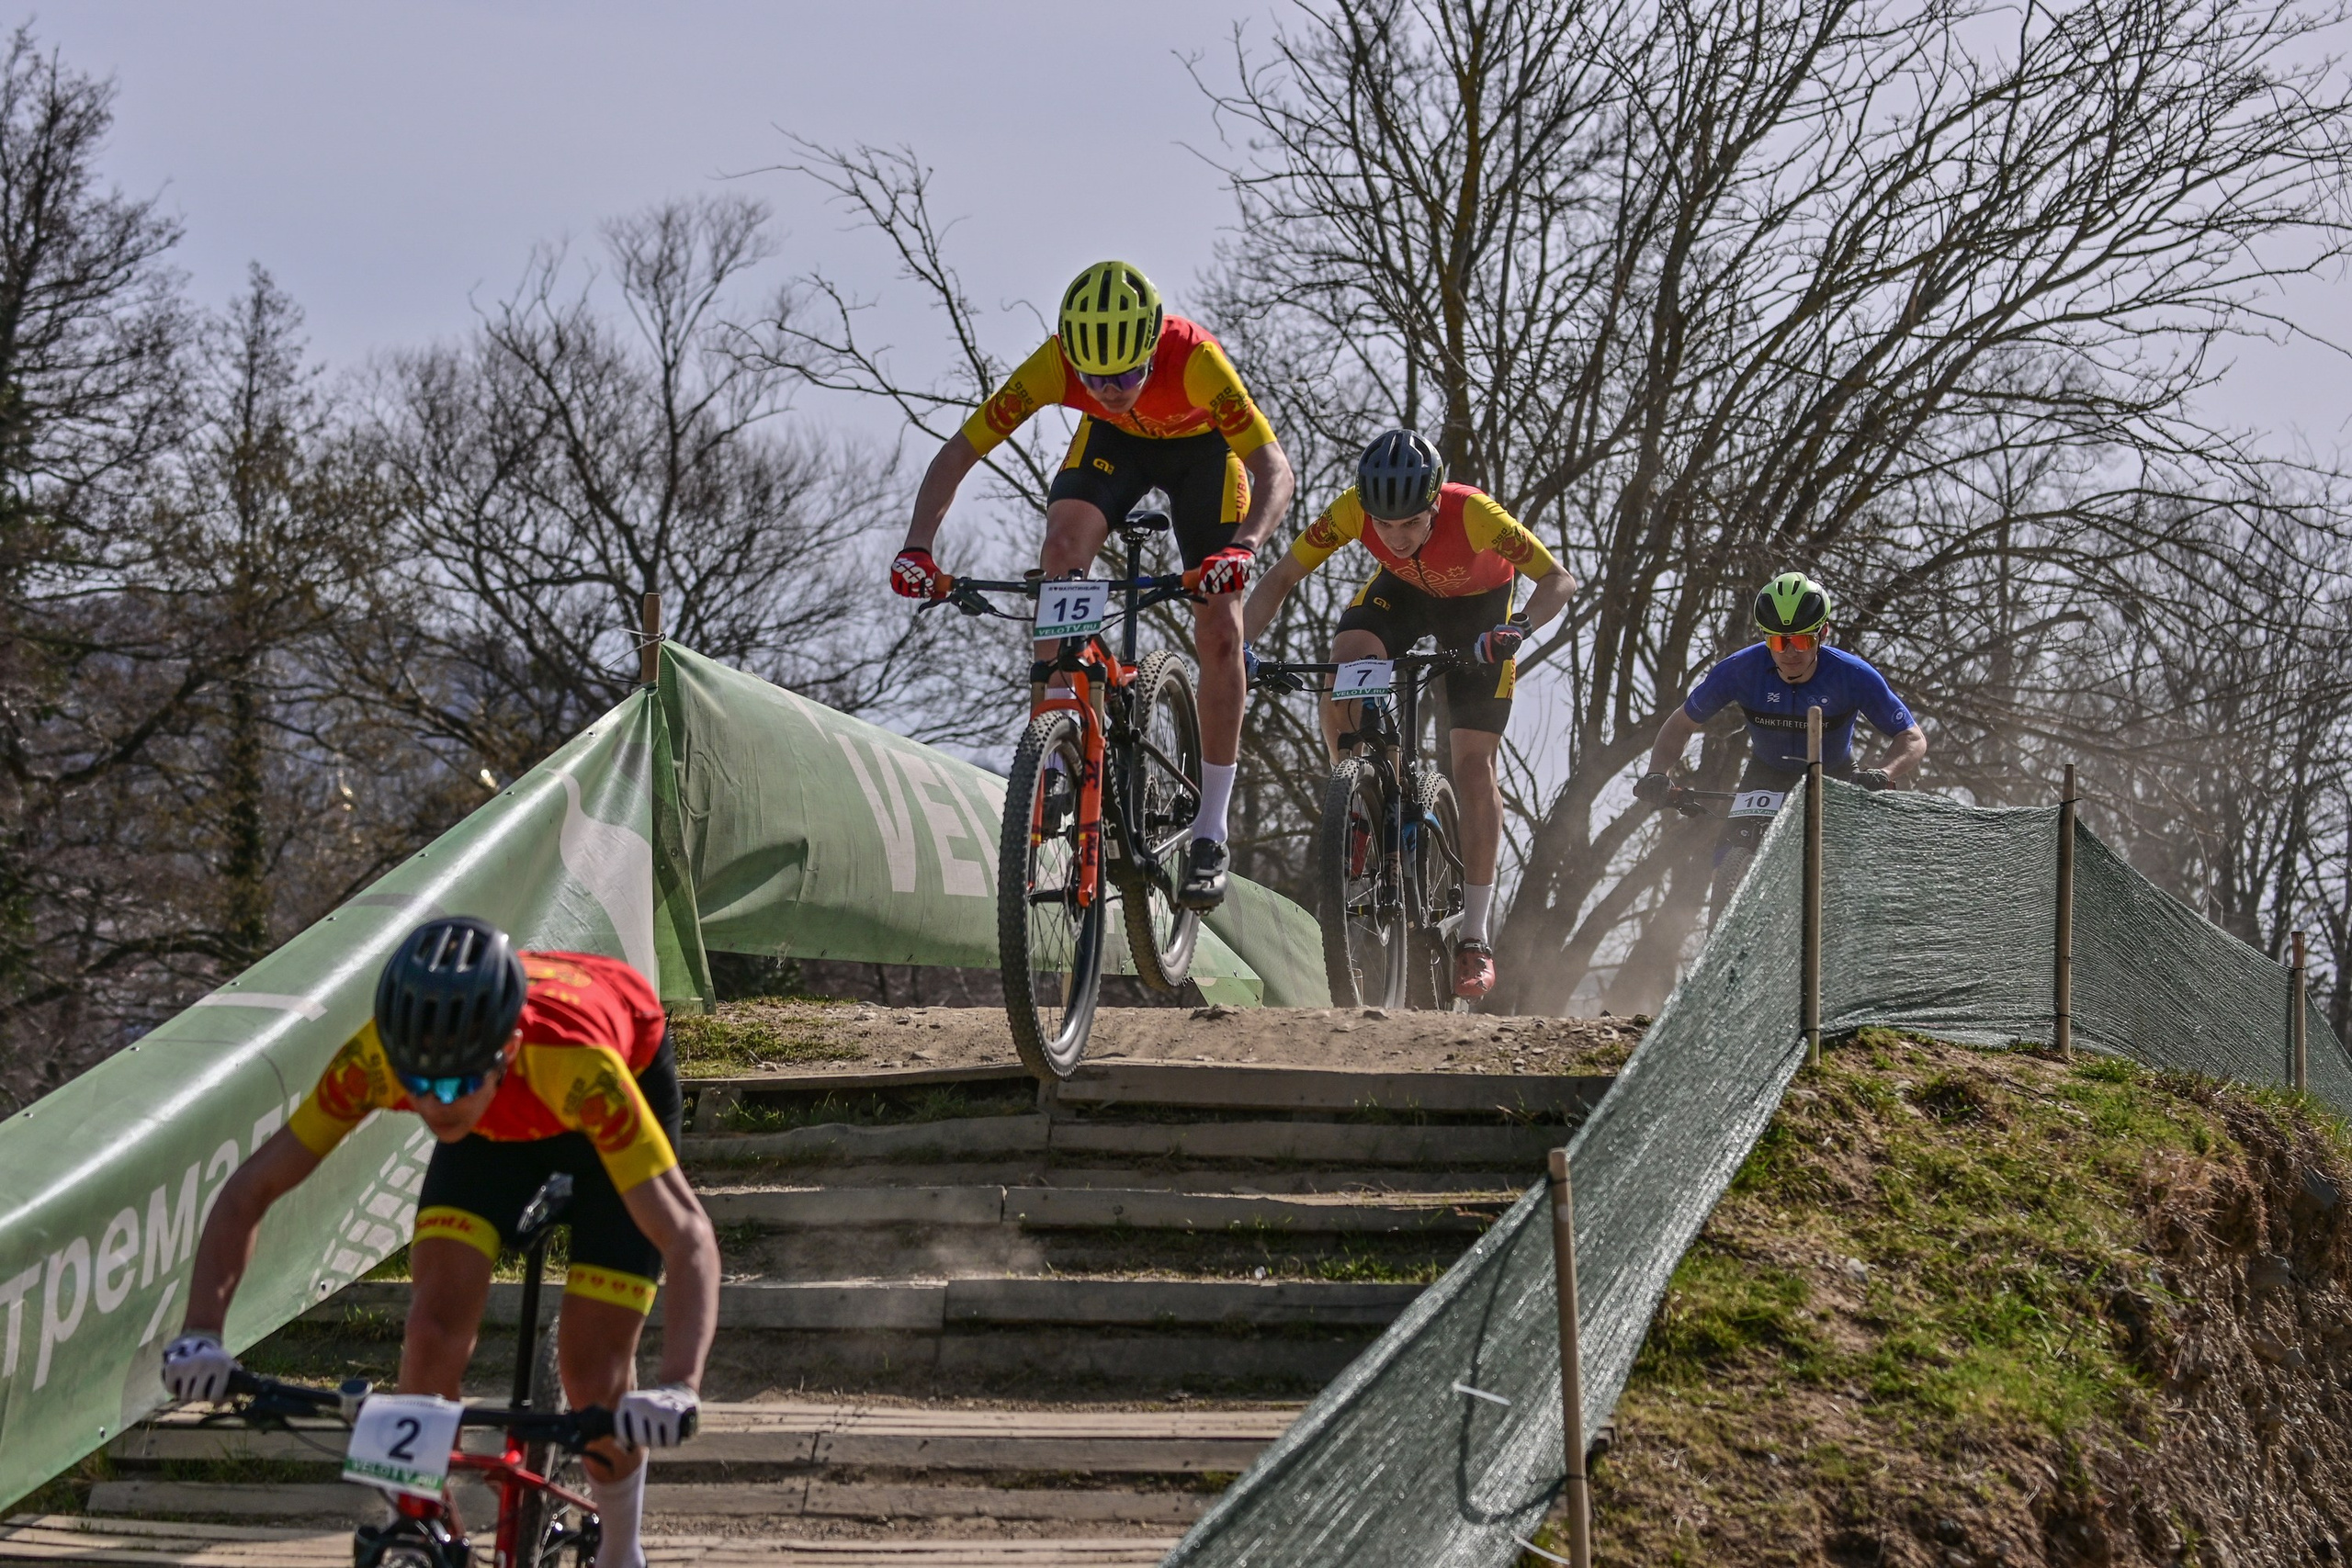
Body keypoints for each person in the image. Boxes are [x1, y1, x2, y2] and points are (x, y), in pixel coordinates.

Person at [162, 919, 719, 1568]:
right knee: (430, 1332)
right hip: (488, 1129)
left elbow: (687, 1236)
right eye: (415, 1085)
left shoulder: (580, 1069)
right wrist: (201, 1331)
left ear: (503, 1048)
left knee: (594, 1374)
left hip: (600, 1092)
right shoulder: (384, 1059)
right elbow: (249, 1190)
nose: (431, 1103)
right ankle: (419, 1531)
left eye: (449, 1083)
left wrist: (679, 1383)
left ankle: (623, 1551)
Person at [889, 260, 1296, 911]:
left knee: (1219, 626)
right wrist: (917, 546)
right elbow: (959, 452)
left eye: (1127, 374)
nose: (1109, 388)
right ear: (1072, 358)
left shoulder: (1195, 361)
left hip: (1203, 455)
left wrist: (1244, 548)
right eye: (1094, 377)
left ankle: (1210, 833)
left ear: (1152, 347)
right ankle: (1055, 733)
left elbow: (1274, 467)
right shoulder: (1055, 365)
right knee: (1060, 550)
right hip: (1115, 449)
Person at [1244, 430, 1577, 1000]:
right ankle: (1356, 800)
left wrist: (1516, 629)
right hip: (1401, 599)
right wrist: (1240, 648)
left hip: (1480, 615)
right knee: (1342, 665)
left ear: (1433, 504)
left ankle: (1474, 936)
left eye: (1411, 524)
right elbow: (1280, 578)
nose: (1395, 537)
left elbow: (1559, 580)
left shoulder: (1474, 513)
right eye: (1384, 526)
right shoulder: (1351, 510)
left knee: (1473, 766)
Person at [1634, 570, 1928, 864]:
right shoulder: (1740, 670)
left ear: (1822, 634)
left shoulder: (1852, 676)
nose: (1789, 652)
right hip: (1766, 775)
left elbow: (1911, 736)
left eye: (1801, 640)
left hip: (1834, 776)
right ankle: (1723, 907)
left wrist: (1883, 772)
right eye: (1777, 642)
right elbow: (1682, 724)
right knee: (1726, 857)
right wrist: (1658, 772)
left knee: (1848, 866)